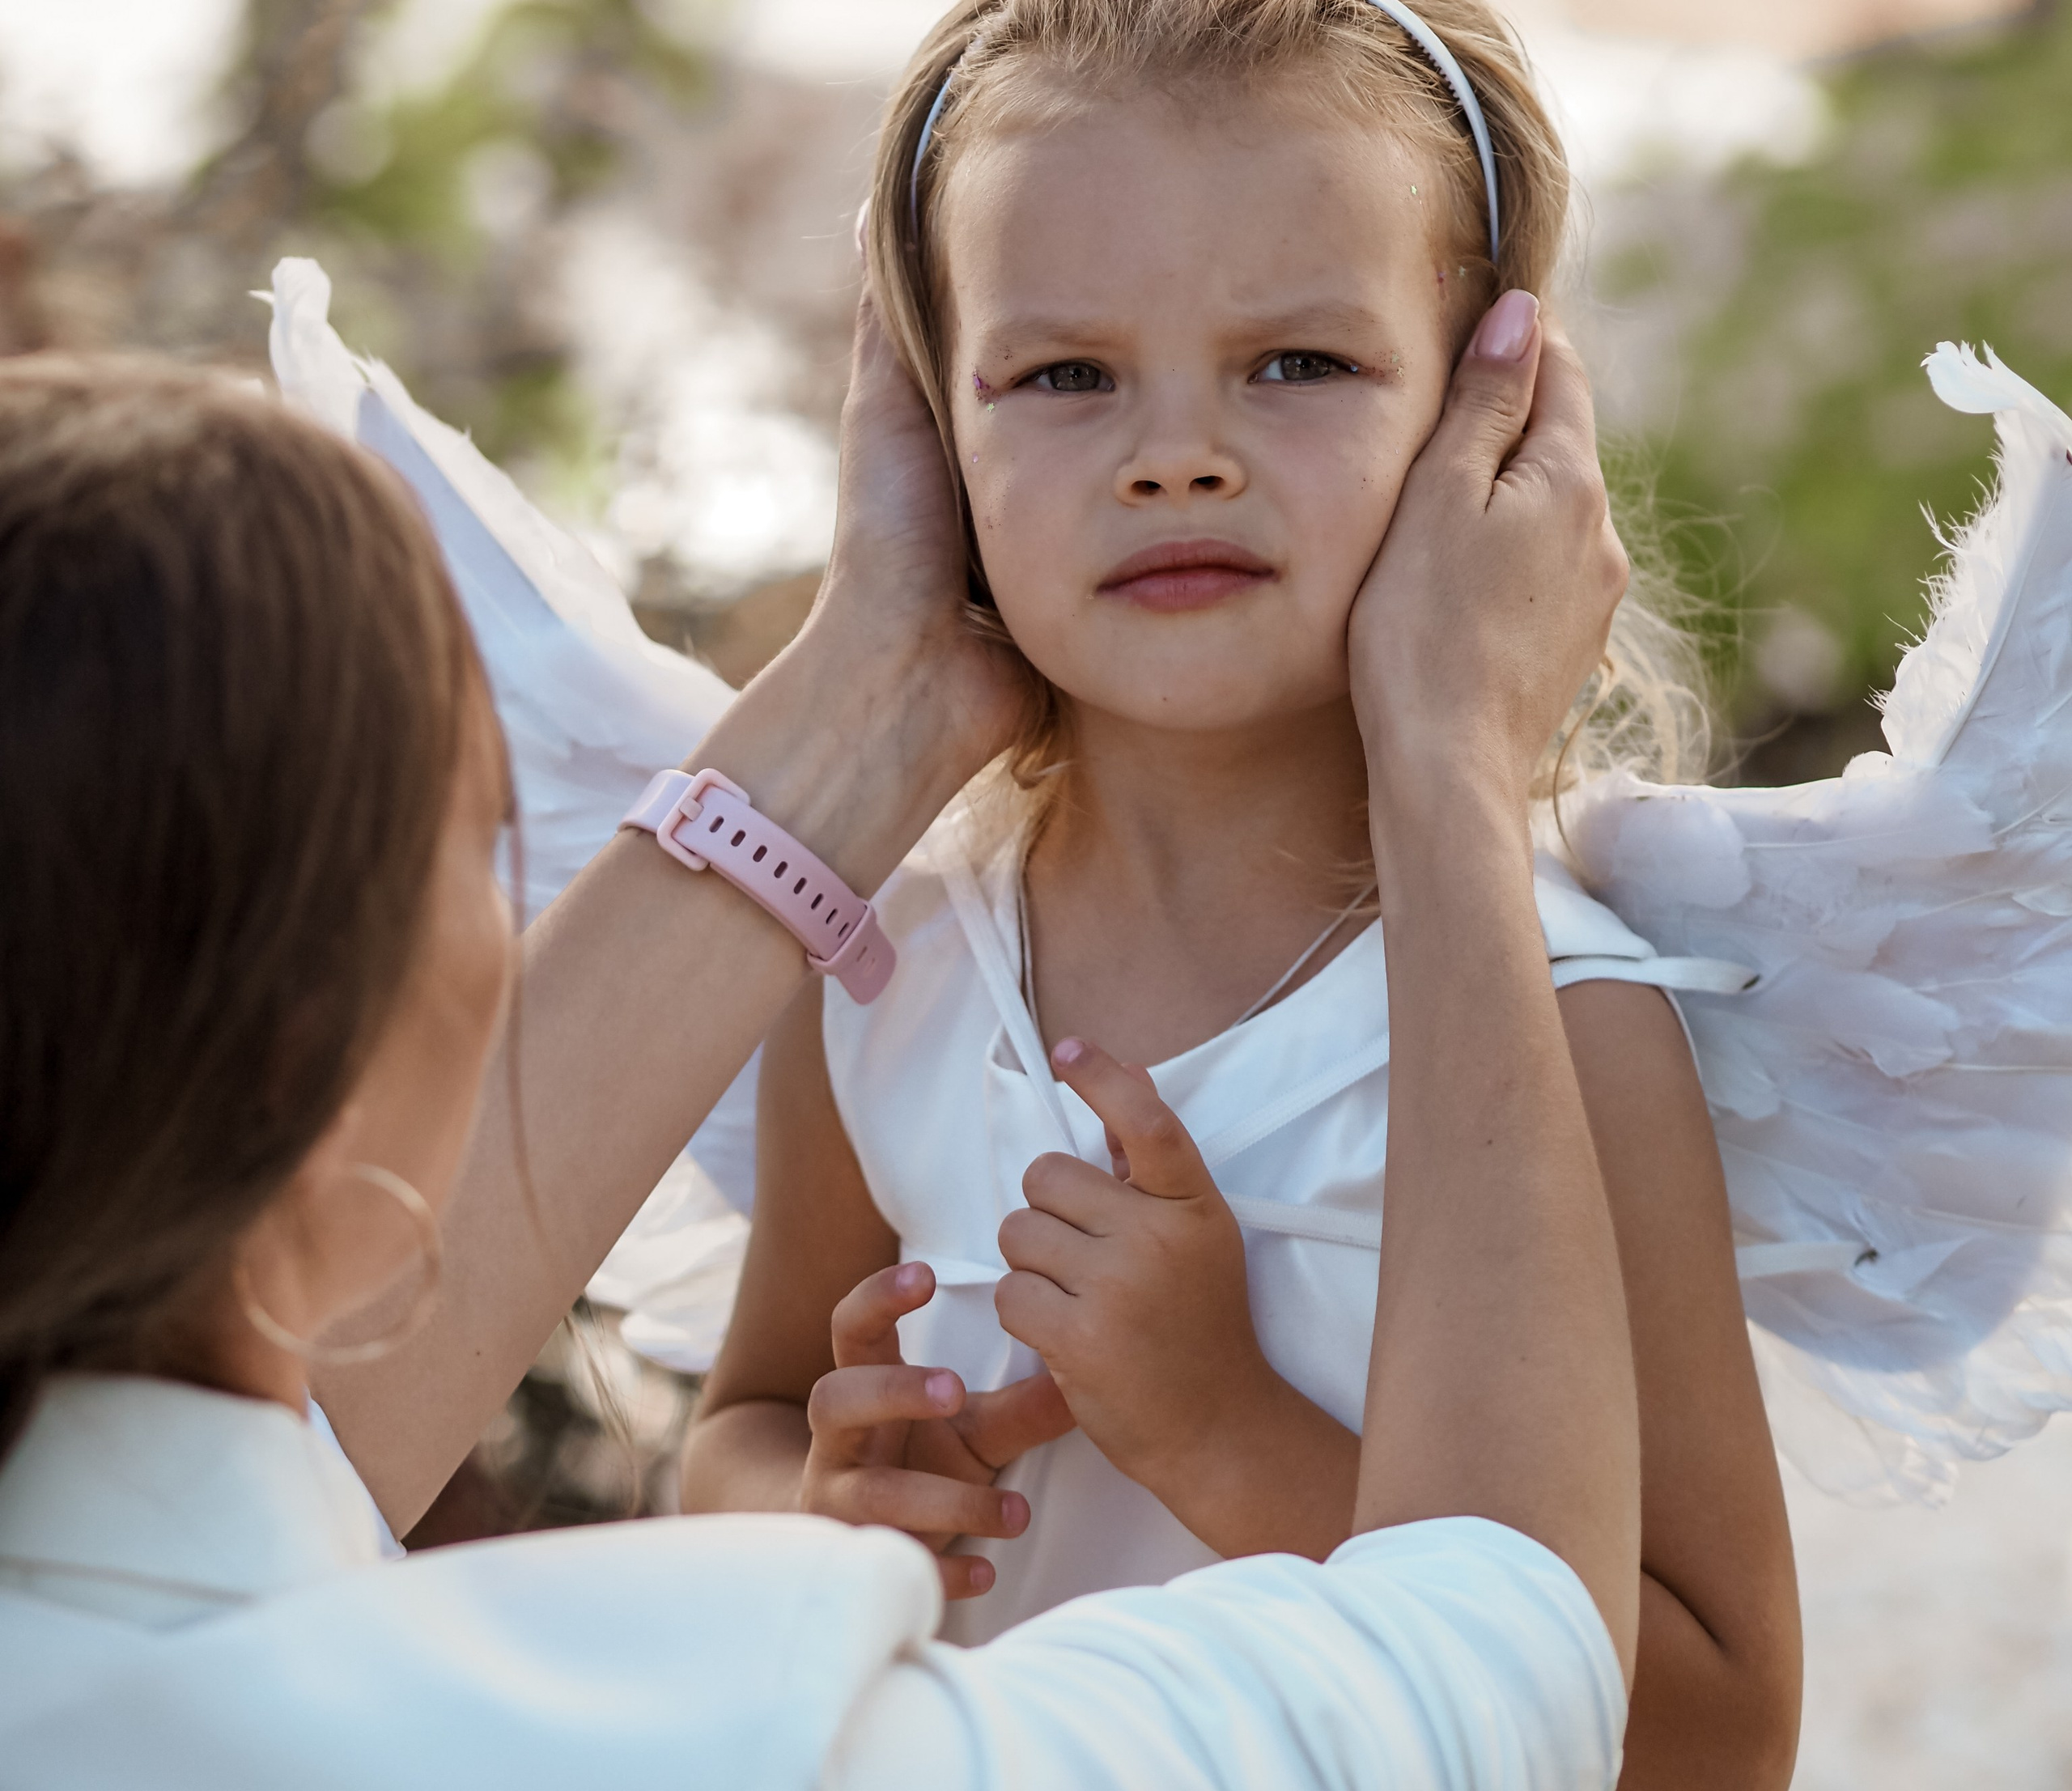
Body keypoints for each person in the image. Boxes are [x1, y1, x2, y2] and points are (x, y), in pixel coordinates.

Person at [0, 302, 1637, 1788]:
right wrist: (1447, 752)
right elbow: (1507, 1648)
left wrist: (890, 677)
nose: (1176, 454)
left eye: (1302, 362)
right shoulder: (718, 1737)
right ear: (312, 1062)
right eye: (483, 849)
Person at [677, 0, 1800, 1789]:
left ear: (1489, 418)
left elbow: (1720, 1730)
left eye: (1295, 362)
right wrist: (816, 1511)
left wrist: (1219, 1433)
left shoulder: (1561, 1024)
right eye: (1064, 375)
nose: (1177, 456)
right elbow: (740, 1417)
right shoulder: (877, 966)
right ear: (930, 427)